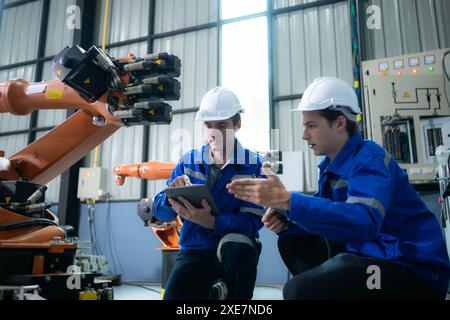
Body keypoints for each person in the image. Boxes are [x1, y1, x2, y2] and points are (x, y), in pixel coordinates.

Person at [227, 76, 450, 300]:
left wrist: (288, 200)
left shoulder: (369, 158)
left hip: (413, 271)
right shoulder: (331, 166)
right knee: (291, 241)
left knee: (298, 290)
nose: (304, 135)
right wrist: (288, 220)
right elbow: (330, 220)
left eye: (311, 125)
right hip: (377, 257)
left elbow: (363, 222)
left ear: (339, 123)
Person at [153, 86, 265, 300]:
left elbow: (252, 222)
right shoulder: (188, 162)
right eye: (208, 125)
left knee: (238, 250)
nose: (213, 132)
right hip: (194, 249)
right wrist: (169, 198)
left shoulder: (254, 165)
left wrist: (213, 222)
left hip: (233, 252)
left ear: (237, 125)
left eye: (221, 125)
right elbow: (160, 213)